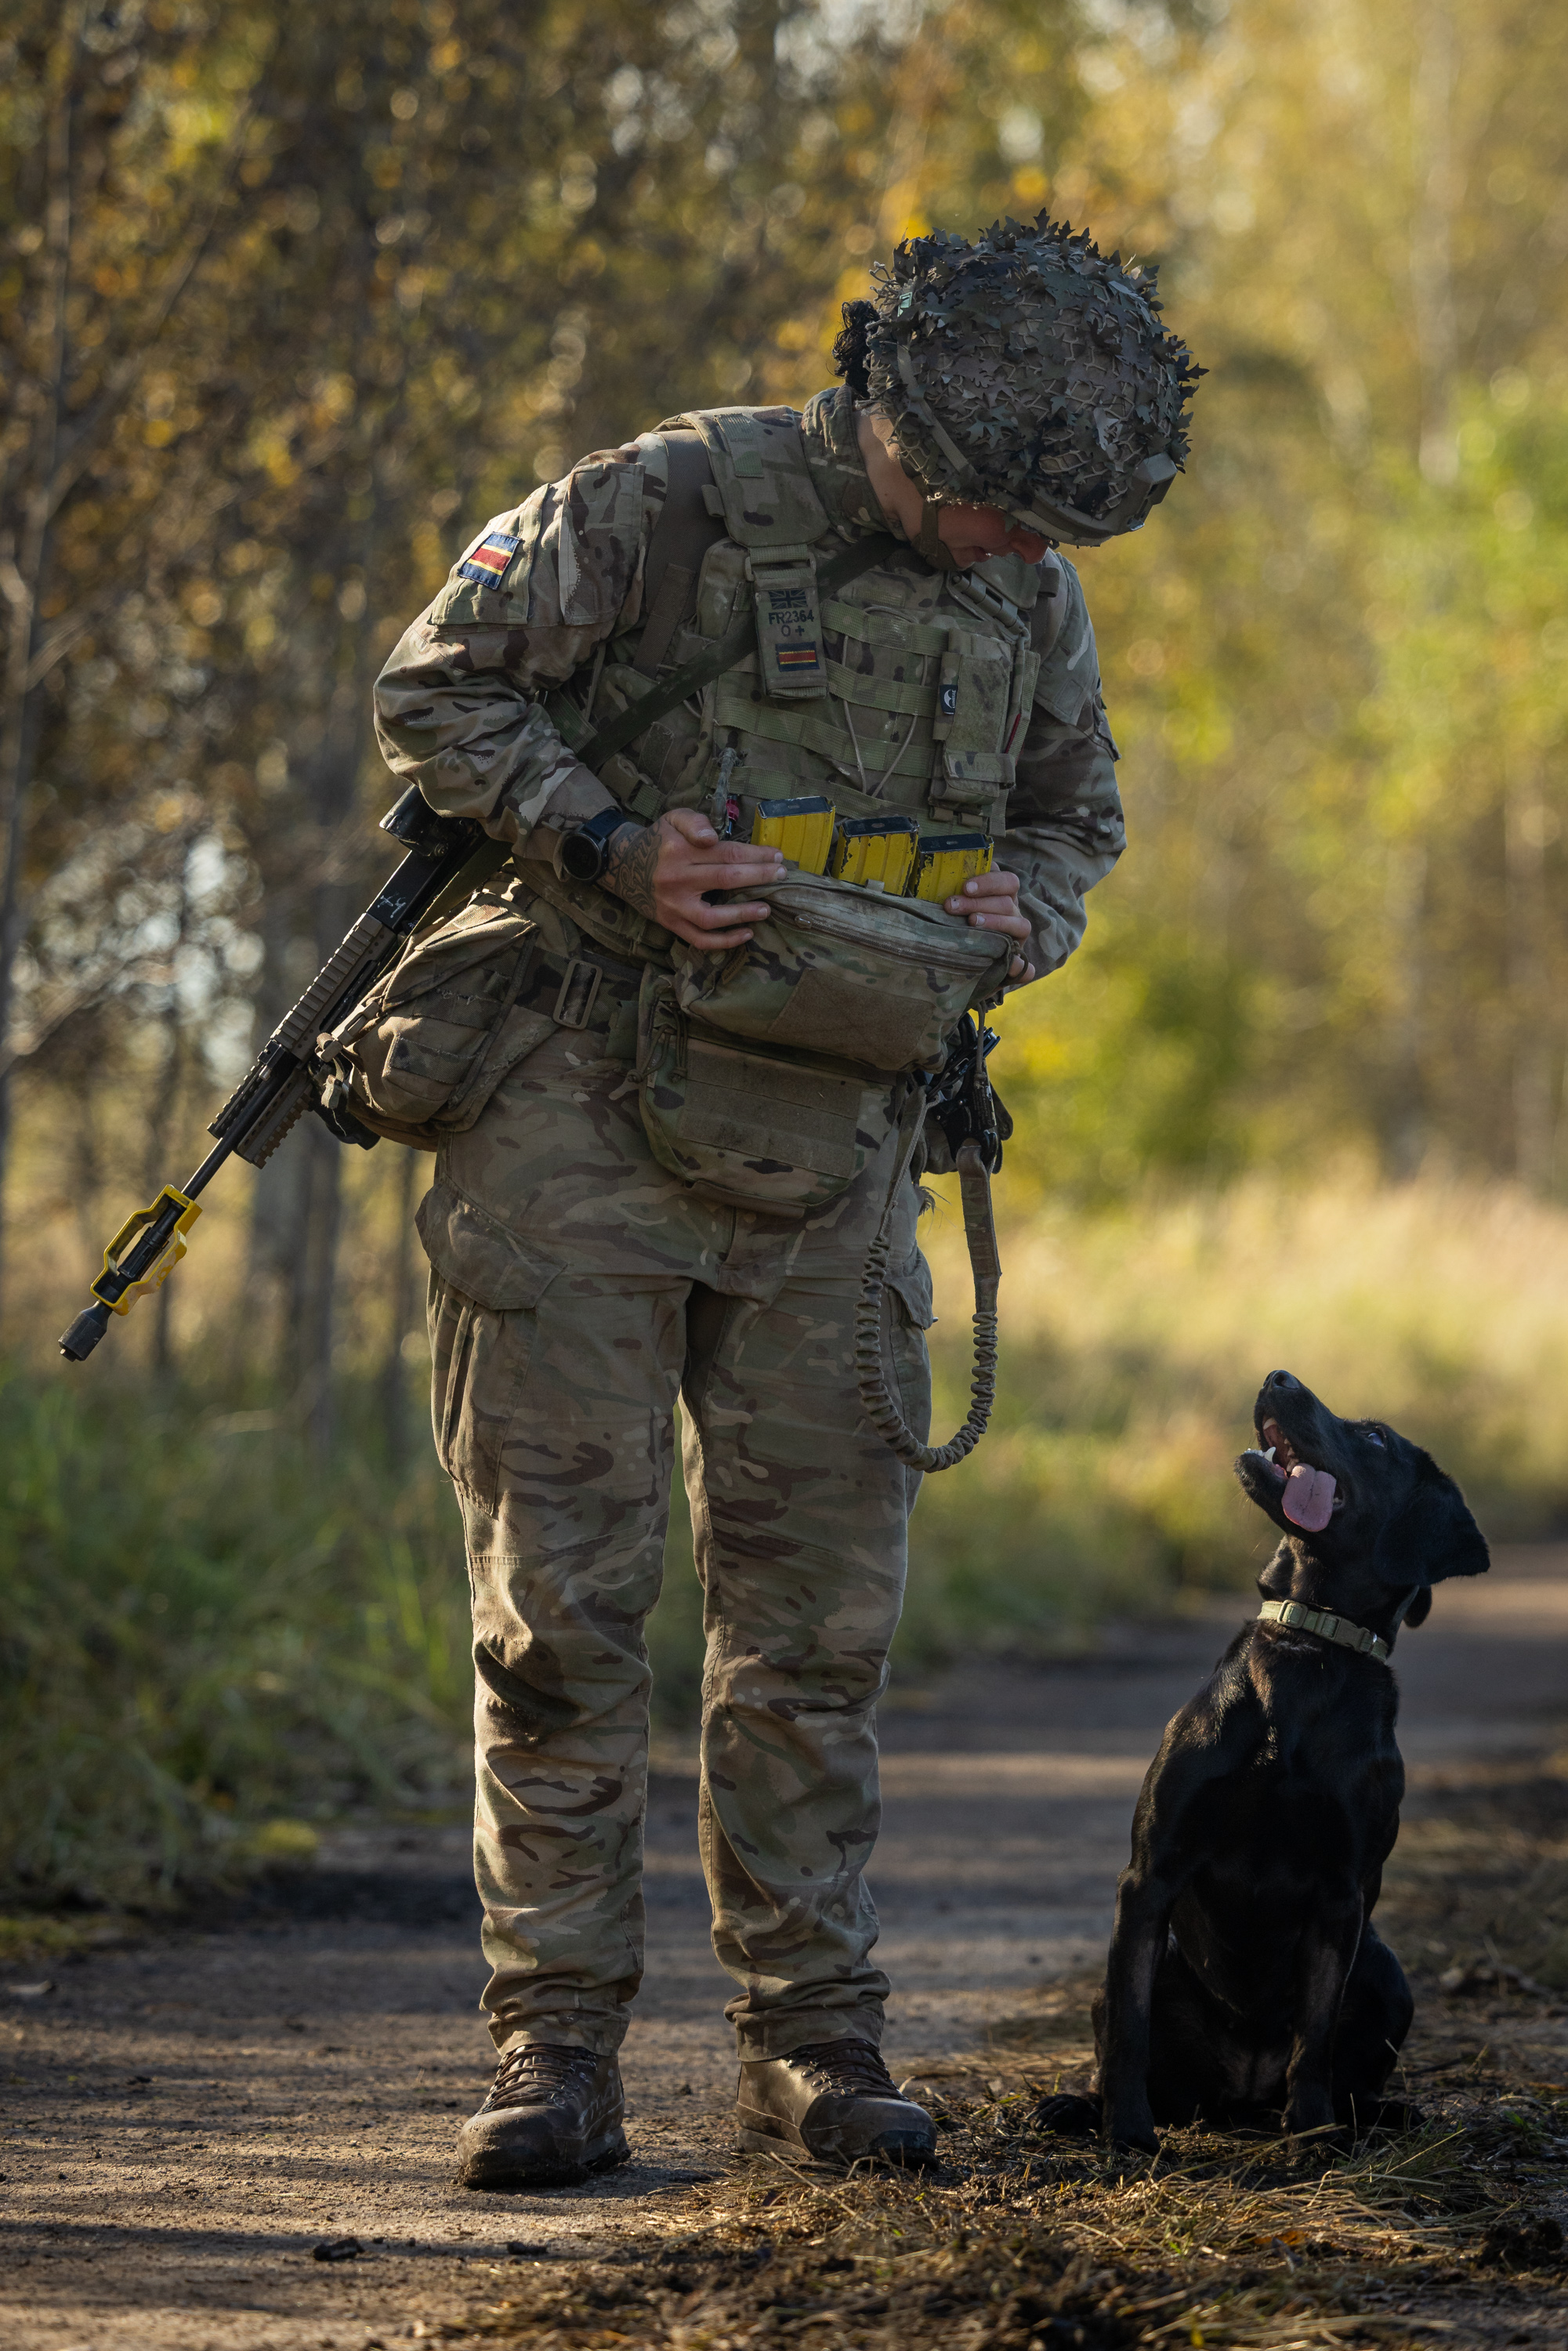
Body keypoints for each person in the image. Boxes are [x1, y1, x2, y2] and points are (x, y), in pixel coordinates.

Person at [372, 214, 1198, 2189]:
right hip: (570, 1107)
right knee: (560, 1621)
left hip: (835, 1149)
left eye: (1045, 531)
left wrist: (1030, 916)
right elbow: (432, 685)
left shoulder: (1029, 593)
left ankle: (813, 2048)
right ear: (895, 422)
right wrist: (605, 840)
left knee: (815, 1635)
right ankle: (550, 2057)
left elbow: (1072, 814)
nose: (1013, 551)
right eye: (989, 509)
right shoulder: (663, 503)